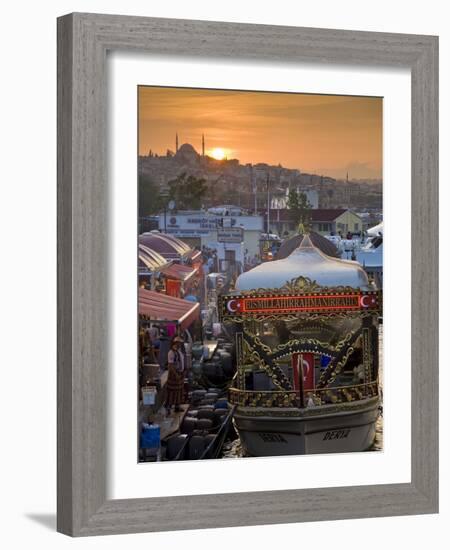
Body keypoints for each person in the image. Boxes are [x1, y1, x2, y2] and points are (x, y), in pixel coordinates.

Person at [165, 336, 185, 414]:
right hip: (174, 374)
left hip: (180, 373)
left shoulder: (178, 351)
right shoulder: (171, 352)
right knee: (172, 391)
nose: (180, 344)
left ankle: (177, 406)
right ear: (175, 343)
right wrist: (176, 374)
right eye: (179, 343)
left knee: (179, 390)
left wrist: (183, 371)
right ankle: (168, 407)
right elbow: (170, 365)